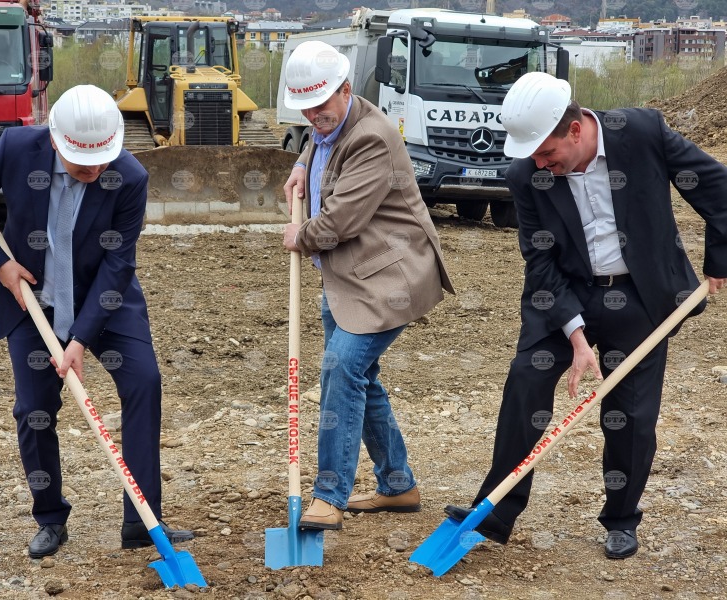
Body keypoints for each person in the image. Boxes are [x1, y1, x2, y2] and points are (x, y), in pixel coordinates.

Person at [444, 72, 727, 559]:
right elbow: (540, 261)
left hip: (639, 296)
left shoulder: (642, 132)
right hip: (564, 293)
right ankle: (495, 511)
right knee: (526, 382)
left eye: (546, 153)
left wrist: (718, 261)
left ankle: (621, 518)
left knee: (631, 415)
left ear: (575, 130)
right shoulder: (526, 175)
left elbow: (718, 189)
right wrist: (575, 334)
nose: (539, 164)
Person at [0, 85, 193, 558]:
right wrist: (0, 264)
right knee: (34, 410)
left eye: (102, 161)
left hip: (105, 299)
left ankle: (142, 521)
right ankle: (51, 518)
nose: (95, 171)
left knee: (144, 383)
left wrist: (80, 338)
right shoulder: (16, 148)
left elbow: (118, 264)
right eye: (83, 163)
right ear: (56, 140)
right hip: (31, 300)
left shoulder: (129, 176)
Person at [280, 41, 455, 530]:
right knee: (362, 378)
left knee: (340, 370)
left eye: (320, 105)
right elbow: (321, 139)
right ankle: (398, 485)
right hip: (346, 277)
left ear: (345, 89)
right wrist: (301, 164)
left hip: (389, 277)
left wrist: (299, 236)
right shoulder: (330, 123)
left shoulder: (372, 138)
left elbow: (340, 222)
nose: (313, 116)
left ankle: (329, 496)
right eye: (304, 109)